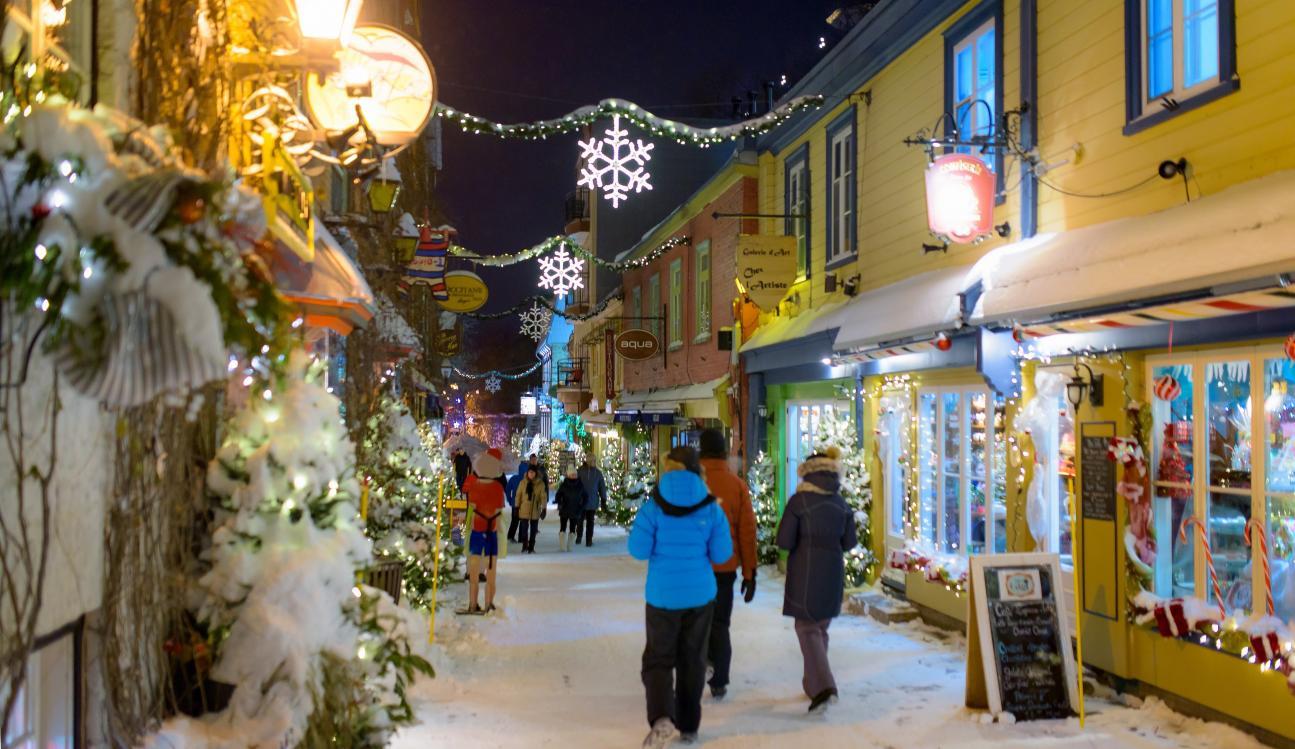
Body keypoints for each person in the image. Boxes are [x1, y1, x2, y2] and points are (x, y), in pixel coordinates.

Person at [628, 446, 733, 748]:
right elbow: (723, 554)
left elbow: (637, 550)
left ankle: (661, 717)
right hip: (700, 596)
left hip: (662, 597)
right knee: (693, 659)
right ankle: (689, 726)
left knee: (659, 659)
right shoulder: (711, 506)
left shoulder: (653, 506)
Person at [776, 447, 858, 714]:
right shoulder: (841, 504)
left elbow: (785, 541)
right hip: (833, 569)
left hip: (806, 571)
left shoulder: (799, 502)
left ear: (807, 475)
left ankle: (824, 686)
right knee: (819, 627)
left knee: (807, 627)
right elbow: (850, 543)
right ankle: (812, 684)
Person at [697, 429, 757, 701]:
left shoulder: (691, 484)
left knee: (695, 623)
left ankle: (695, 673)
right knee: (720, 624)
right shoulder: (737, 485)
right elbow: (747, 531)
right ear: (723, 452)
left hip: (693, 570)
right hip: (723, 569)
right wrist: (749, 572)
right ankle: (719, 680)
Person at [462, 448, 506, 614]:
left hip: (476, 531)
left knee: (474, 570)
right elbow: (498, 512)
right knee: (491, 570)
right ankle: (489, 603)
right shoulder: (497, 488)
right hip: (491, 532)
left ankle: (472, 604)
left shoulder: (475, 486)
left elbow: (472, 508)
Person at [514, 465, 547, 553]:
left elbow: (543, 497)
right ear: (527, 473)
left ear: (535, 473)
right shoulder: (523, 483)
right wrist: (516, 507)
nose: (531, 474)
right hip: (524, 508)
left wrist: (544, 508)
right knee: (524, 529)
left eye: (533, 472)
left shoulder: (540, 484)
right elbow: (518, 495)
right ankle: (525, 545)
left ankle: (531, 547)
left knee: (533, 530)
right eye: (530, 472)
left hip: (535, 509)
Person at [576, 456, 608, 546]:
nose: (594, 462)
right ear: (588, 461)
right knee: (580, 520)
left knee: (590, 521)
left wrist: (603, 499)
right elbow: (575, 483)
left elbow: (602, 487)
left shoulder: (598, 473)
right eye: (593, 461)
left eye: (595, 460)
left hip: (592, 501)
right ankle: (579, 536)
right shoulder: (580, 471)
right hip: (581, 500)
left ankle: (589, 539)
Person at [555, 468, 588, 552]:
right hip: (565, 509)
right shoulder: (564, 484)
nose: (574, 476)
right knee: (563, 528)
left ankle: (570, 546)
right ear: (568, 475)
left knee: (573, 528)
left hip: (575, 509)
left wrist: (582, 506)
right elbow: (558, 495)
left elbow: (585, 497)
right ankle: (562, 546)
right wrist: (560, 504)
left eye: (575, 474)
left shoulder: (580, 485)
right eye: (572, 474)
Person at [504, 461, 526, 543]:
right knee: (522, 521)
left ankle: (511, 536)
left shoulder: (514, 478)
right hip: (522, 504)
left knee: (515, 521)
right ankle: (521, 538)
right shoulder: (526, 480)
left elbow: (508, 489)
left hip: (515, 504)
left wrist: (509, 499)